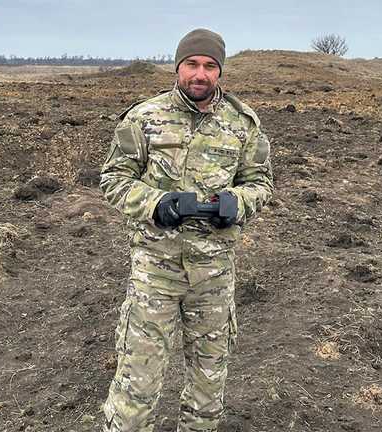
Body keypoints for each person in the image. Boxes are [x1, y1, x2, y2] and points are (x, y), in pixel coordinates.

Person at [99, 28, 273, 432]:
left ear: (219, 72)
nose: (200, 73)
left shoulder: (242, 122)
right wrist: (157, 204)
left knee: (208, 384)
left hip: (214, 275)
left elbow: (260, 182)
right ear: (178, 67)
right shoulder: (144, 117)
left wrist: (238, 202)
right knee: (137, 381)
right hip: (155, 272)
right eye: (192, 64)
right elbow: (113, 178)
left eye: (210, 66)